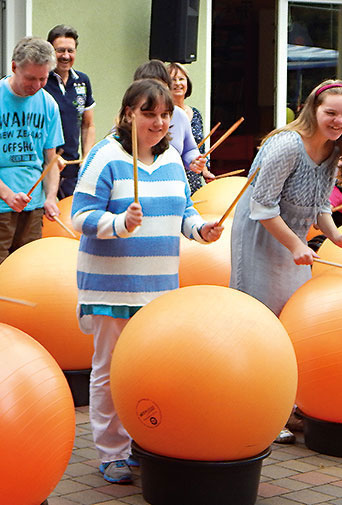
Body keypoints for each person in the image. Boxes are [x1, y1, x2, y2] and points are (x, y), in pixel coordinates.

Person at [72, 78, 222, 484]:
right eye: (149, 114)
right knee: (109, 370)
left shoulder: (172, 157)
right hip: (111, 288)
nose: (158, 123)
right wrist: (119, 224)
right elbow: (79, 217)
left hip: (159, 291)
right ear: (128, 114)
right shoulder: (105, 158)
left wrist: (199, 229)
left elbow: (184, 209)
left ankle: (141, 440)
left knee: (149, 371)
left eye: (165, 115)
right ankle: (111, 451)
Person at [229, 80, 342, 444]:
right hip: (262, 238)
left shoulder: (334, 150)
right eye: (330, 113)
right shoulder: (286, 145)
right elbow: (262, 206)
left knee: (293, 323)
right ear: (312, 110)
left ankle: (288, 404)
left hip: (293, 244)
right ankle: (262, 412)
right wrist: (294, 245)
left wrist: (336, 236)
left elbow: (320, 204)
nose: (338, 121)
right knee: (263, 324)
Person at [0, 36, 64, 319]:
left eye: (43, 79)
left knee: (27, 280)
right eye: (30, 78)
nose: (36, 86)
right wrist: (8, 195)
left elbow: (51, 160)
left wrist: (50, 197)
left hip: (32, 207)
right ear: (13, 67)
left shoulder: (48, 104)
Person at [133, 60, 209, 188]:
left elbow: (189, 149)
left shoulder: (179, 115)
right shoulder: (131, 116)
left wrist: (194, 161)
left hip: (174, 186)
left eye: (161, 87)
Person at [43, 24, 95, 197]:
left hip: (72, 168)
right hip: (45, 167)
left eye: (70, 51)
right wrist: (51, 157)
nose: (66, 56)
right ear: (50, 51)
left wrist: (87, 156)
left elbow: (88, 125)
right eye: (60, 50)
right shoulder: (41, 81)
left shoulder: (83, 80)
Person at [167, 61, 214, 192]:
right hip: (173, 181)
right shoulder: (163, 116)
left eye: (181, 79)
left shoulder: (195, 113)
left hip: (194, 182)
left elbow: (199, 149)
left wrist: (204, 171)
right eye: (173, 80)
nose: (178, 83)